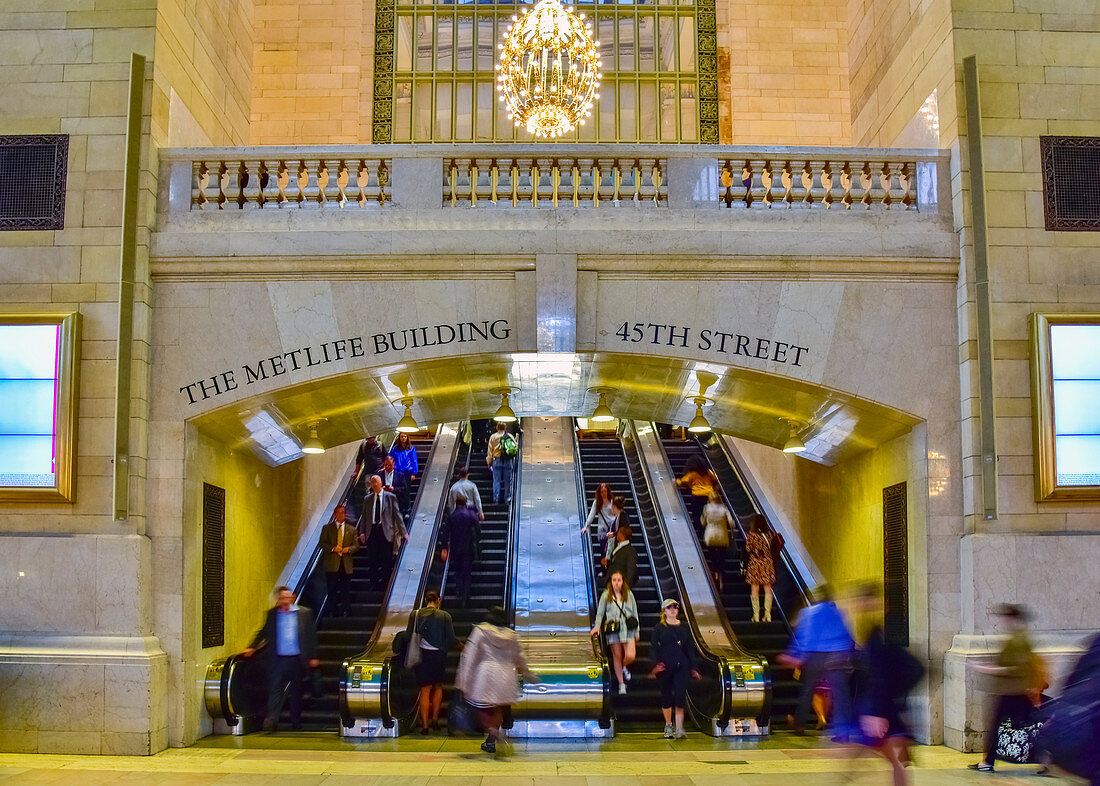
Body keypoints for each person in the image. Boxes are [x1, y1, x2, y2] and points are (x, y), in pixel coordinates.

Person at [850, 584, 925, 786]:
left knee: (894, 759)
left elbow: (883, 673)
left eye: (862, 601)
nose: (858, 606)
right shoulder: (877, 632)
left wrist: (880, 709)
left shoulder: (879, 635)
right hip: (886, 706)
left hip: (883, 708)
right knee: (893, 759)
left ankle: (843, 779)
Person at [455, 605, 539, 755]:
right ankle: (492, 738)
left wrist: (463, 678)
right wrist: (529, 675)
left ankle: (491, 730)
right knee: (498, 708)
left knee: (480, 706)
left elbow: (470, 656)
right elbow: (520, 657)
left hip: (486, 673)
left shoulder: (480, 632)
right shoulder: (512, 635)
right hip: (506, 675)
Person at [968, 603, 1039, 774]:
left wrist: (985, 669)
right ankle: (988, 761)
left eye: (1004, 618)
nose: (1001, 622)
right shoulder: (1017, 638)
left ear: (1012, 619)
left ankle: (988, 762)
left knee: (999, 725)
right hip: (1013, 691)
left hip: (1013, 692)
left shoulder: (1018, 640)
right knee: (1028, 721)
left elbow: (1017, 668)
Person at [780, 584, 856, 739]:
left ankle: (800, 724)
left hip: (816, 656)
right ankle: (843, 732)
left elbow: (804, 636)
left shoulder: (808, 613)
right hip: (838, 656)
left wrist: (795, 655)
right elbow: (848, 636)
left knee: (807, 690)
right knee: (841, 694)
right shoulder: (839, 613)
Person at [242, 586, 319, 731]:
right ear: (278, 599)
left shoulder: (304, 613)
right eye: (282, 598)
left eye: (288, 598)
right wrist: (252, 647)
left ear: (292, 598)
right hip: (278, 659)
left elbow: (310, 636)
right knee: (275, 689)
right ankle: (271, 720)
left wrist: (313, 656)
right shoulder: (272, 614)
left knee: (296, 692)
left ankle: (296, 721)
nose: (285, 601)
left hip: (296, 659)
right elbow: (263, 632)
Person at [651, 598, 701, 738]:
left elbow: (689, 648)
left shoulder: (684, 626)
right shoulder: (659, 627)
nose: (672, 609)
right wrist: (655, 664)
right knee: (666, 695)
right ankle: (668, 725)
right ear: (664, 611)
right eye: (669, 607)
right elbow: (654, 647)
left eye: (675, 607)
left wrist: (693, 667)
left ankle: (679, 727)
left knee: (680, 695)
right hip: (665, 665)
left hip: (682, 664)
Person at [409, 590, 458, 734]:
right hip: (439, 655)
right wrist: (463, 647)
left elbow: (407, 634)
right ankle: (435, 719)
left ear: (425, 600)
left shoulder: (415, 614)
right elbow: (451, 638)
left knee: (425, 689)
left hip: (422, 655)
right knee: (438, 687)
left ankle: (424, 725)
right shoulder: (444, 615)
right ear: (438, 600)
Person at [590, 571, 640, 694]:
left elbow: (635, 613)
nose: (616, 583)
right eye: (614, 580)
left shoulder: (628, 594)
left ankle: (624, 666)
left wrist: (637, 631)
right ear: (611, 582)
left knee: (630, 655)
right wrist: (597, 626)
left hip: (628, 629)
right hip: (614, 629)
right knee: (617, 656)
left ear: (623, 581)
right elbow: (600, 613)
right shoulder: (606, 595)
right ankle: (621, 684)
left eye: (619, 580)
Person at [356, 474, 408, 588]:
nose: (374, 484)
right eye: (372, 482)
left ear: (381, 483)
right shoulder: (367, 499)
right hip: (372, 531)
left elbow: (397, 515)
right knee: (372, 559)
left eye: (376, 482)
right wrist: (361, 532)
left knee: (386, 559)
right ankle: (374, 584)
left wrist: (404, 532)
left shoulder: (390, 497)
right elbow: (364, 517)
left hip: (385, 531)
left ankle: (385, 584)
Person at [318, 504, 359, 617]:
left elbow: (356, 545)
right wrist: (332, 548)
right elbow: (322, 543)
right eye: (338, 512)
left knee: (345, 589)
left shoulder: (352, 529)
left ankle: (345, 610)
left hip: (345, 564)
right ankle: (332, 610)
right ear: (334, 514)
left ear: (345, 514)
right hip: (332, 563)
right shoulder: (327, 528)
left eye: (342, 512)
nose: (340, 515)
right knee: (332, 589)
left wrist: (348, 549)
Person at [440, 492, 480, 604]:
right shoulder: (471, 514)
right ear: (465, 503)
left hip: (455, 548)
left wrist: (444, 548)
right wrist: (476, 540)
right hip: (468, 548)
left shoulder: (452, 516)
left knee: (457, 570)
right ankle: (466, 594)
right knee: (467, 571)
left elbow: (446, 532)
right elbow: (478, 529)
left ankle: (458, 590)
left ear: (456, 504)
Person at [700, 494, 736, 592]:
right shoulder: (724, 508)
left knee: (713, 557)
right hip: (722, 536)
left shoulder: (707, 508)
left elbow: (703, 522)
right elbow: (732, 523)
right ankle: (720, 576)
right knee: (721, 558)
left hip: (710, 536)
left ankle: (715, 574)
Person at [744, 514, 776, 622]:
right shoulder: (769, 535)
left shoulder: (752, 535)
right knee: (767, 588)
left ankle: (756, 615)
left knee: (755, 588)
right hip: (767, 562)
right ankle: (768, 615)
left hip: (755, 562)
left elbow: (748, 549)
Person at [676, 456, 718, 530]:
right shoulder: (708, 472)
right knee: (707, 513)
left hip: (697, 495)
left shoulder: (692, 474)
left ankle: (699, 529)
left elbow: (683, 481)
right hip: (709, 495)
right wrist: (713, 489)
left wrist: (678, 482)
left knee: (696, 514)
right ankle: (707, 528)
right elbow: (715, 480)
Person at [582, 482, 617, 561]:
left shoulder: (612, 501)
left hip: (612, 527)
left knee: (612, 549)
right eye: (602, 492)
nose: (604, 493)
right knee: (603, 549)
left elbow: (616, 513)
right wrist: (587, 525)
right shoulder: (597, 502)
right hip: (603, 529)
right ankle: (603, 569)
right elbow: (592, 514)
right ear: (599, 493)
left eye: (605, 491)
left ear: (608, 492)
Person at [486, 421, 517, 505]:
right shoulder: (509, 436)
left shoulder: (493, 437)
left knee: (496, 480)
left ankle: (496, 499)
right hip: (508, 461)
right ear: (505, 427)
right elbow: (515, 447)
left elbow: (490, 451)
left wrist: (489, 461)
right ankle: (507, 499)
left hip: (497, 460)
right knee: (508, 481)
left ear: (497, 427)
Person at [603, 520, 638, 590]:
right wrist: (608, 562)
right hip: (612, 582)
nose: (616, 534)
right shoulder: (618, 547)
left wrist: (625, 587)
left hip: (620, 586)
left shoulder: (630, 551)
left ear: (623, 535)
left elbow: (630, 570)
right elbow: (616, 562)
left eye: (618, 532)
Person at [380, 454, 411, 519]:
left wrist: (394, 489)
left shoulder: (400, 475)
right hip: (383, 501)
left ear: (394, 464)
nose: (388, 467)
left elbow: (404, 489)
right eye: (386, 465)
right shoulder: (380, 475)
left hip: (397, 500)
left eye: (390, 465)